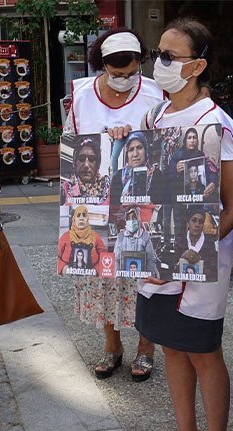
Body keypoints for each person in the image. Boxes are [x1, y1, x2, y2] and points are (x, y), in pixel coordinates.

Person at [131, 18, 233, 431]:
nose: (157, 63)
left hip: (198, 263)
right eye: (155, 54)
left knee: (202, 352)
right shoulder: (153, 114)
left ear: (196, 67)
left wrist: (184, 256)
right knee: (169, 346)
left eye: (168, 57)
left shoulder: (217, 123)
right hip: (155, 253)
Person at [63, 28, 162, 383]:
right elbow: (70, 143)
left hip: (141, 200)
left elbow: (164, 145)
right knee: (103, 273)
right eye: (114, 71)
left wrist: (132, 136)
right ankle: (112, 345)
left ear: (140, 62)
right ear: (100, 64)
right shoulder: (81, 95)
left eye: (129, 70)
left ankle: (146, 349)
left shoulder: (154, 93)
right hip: (95, 202)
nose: (122, 78)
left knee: (141, 276)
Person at [109, 131, 166, 204]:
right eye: (131, 150)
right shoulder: (118, 177)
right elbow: (113, 207)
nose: (135, 154)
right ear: (127, 155)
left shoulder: (157, 175)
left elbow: (161, 206)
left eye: (139, 148)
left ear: (146, 151)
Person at [61, 137, 111, 205]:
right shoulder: (65, 188)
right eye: (81, 159)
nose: (86, 165)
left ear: (98, 163)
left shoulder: (108, 189)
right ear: (75, 162)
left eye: (92, 159)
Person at [57, 205, 106, 274]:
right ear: (74, 219)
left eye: (84, 215)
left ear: (87, 219)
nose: (81, 218)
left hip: (91, 276)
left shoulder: (95, 236)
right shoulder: (65, 237)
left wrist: (96, 271)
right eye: (78, 215)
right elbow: (56, 256)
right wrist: (63, 268)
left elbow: (105, 256)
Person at [114, 206, 159, 276]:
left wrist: (148, 277)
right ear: (125, 220)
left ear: (138, 219)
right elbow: (116, 260)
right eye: (129, 218)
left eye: (134, 218)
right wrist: (119, 276)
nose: (131, 221)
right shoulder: (120, 237)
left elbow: (150, 260)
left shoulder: (145, 236)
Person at [173, 205, 217, 274]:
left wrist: (200, 261)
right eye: (193, 220)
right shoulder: (179, 242)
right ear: (188, 223)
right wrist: (182, 257)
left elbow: (214, 271)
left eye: (201, 221)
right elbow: (172, 270)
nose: (197, 225)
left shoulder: (210, 244)